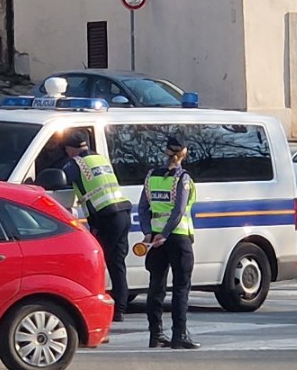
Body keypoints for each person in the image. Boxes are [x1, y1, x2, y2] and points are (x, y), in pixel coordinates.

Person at [62, 130, 132, 322]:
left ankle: (96, 307)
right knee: (117, 264)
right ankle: (120, 310)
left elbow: (58, 178)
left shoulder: (76, 163)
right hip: (124, 214)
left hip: (106, 218)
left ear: (70, 148)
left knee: (96, 262)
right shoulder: (99, 159)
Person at [138, 131, 199, 350]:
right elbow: (179, 210)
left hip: (155, 240)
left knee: (156, 287)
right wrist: (165, 233)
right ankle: (179, 335)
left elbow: (143, 207)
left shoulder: (151, 175)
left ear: (166, 151)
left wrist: (149, 232)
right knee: (181, 288)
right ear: (184, 153)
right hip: (178, 238)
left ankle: (156, 334)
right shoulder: (183, 178)